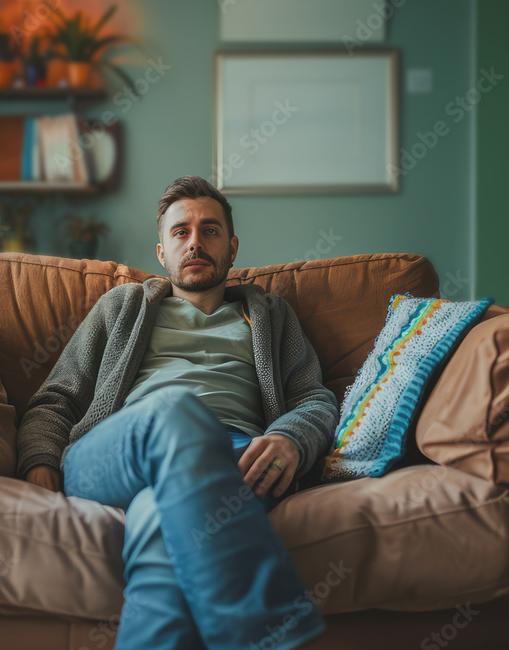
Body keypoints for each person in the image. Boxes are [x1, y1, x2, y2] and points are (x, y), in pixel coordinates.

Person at [18, 175, 339, 650]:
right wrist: (40, 463)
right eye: (180, 232)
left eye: (210, 230)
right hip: (116, 455)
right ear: (162, 252)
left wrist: (291, 437)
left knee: (156, 522)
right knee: (171, 408)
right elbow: (56, 398)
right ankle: (266, 634)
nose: (195, 243)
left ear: (232, 248)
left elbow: (314, 397)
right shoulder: (122, 306)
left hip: (230, 461)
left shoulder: (271, 315)